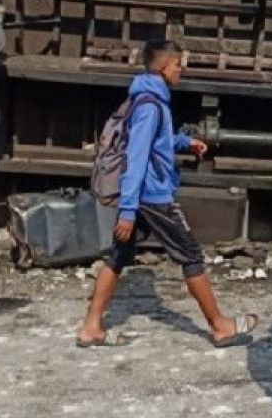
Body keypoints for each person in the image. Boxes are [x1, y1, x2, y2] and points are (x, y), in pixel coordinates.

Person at [76, 39, 258, 348]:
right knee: (190, 255)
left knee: (119, 255)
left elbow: (154, 142)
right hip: (152, 196)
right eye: (177, 64)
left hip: (142, 196)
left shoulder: (146, 98)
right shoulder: (150, 106)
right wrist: (129, 210)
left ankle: (91, 327)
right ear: (163, 68)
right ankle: (220, 326)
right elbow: (136, 157)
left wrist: (185, 143)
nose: (181, 69)